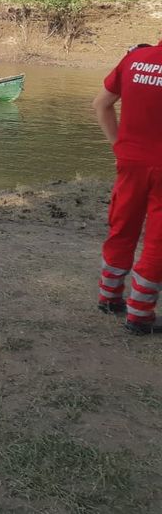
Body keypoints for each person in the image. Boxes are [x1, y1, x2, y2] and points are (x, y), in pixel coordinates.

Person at [93, 37, 162, 335]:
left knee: (122, 227)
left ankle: (109, 297)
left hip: (131, 161)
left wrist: (119, 146)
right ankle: (140, 314)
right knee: (158, 242)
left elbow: (101, 104)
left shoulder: (134, 59)